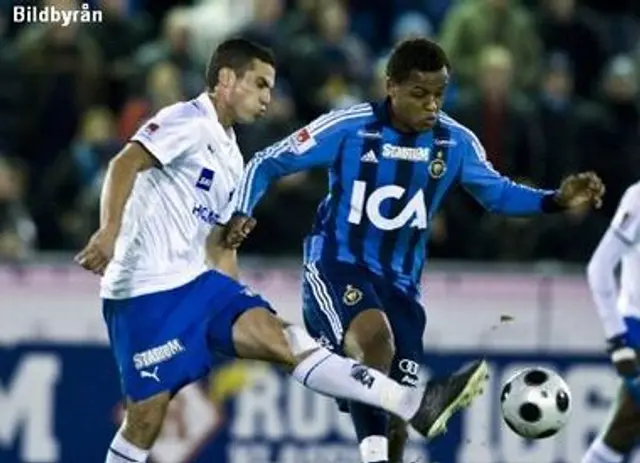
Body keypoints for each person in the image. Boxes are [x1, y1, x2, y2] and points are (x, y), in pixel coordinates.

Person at [74, 38, 488, 463]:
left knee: (285, 339)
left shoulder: (233, 156)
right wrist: (108, 232)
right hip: (144, 291)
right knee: (144, 420)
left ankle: (413, 404)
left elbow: (217, 244)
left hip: (198, 286)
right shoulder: (187, 120)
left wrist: (236, 303)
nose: (267, 98)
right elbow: (124, 163)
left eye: (270, 88)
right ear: (226, 80)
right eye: (259, 85)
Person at [225, 38, 606, 463]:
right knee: (376, 347)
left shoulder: (454, 142)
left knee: (396, 418)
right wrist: (241, 209)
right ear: (391, 87)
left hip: (402, 285)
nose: (432, 106)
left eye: (440, 95)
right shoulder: (351, 128)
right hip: (336, 266)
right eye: (420, 94)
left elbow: (496, 194)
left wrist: (554, 200)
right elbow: (267, 161)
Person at [582, 181, 640, 463]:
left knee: (623, 431)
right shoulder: (639, 197)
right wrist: (617, 339)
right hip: (637, 330)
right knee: (623, 429)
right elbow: (599, 267)